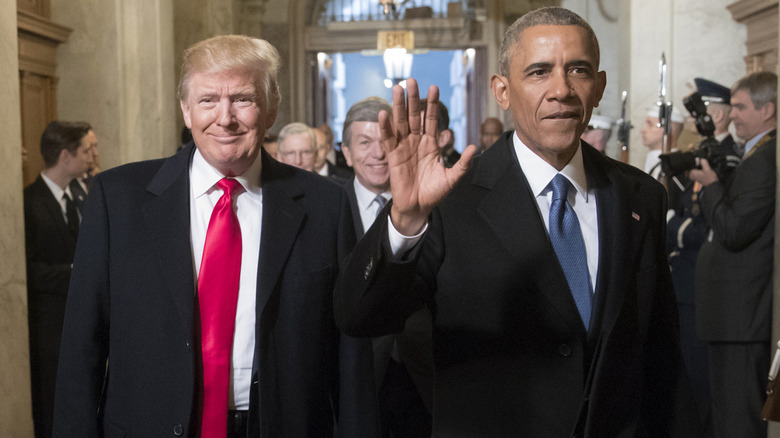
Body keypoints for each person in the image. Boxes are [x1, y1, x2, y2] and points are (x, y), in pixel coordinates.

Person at [335, 6, 699, 436]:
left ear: (598, 87)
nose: (561, 90)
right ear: (502, 91)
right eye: (539, 72)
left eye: (578, 70)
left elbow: (661, 356)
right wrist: (405, 221)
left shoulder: (639, 194)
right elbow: (360, 317)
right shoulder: (450, 199)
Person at [53, 35, 377, 438]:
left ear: (271, 108)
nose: (225, 118)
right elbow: (81, 348)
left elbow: (350, 354)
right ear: (186, 110)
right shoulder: (117, 199)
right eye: (208, 100)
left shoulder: (325, 204)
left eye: (242, 99)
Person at [689, 71, 777, 438]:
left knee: (738, 422)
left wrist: (710, 187)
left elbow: (734, 229)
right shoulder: (755, 153)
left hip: (742, 316)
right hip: (732, 316)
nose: (733, 115)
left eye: (740, 107)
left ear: (767, 110)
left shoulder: (765, 158)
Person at [341, 96, 433, 437]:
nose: (378, 154)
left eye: (384, 141)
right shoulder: (327, 208)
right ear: (346, 152)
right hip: (353, 374)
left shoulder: (432, 202)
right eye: (364, 143)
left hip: (424, 371)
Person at [665, 77, 736, 433]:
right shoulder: (706, 152)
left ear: (718, 115)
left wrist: (671, 225)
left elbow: (706, 223)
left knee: (698, 381)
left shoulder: (727, 159)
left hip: (700, 281)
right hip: (683, 280)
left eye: (700, 112)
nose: (694, 120)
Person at [24, 120, 94, 438]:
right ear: (66, 156)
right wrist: (74, 272)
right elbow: (26, 271)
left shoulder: (80, 193)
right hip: (49, 328)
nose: (92, 157)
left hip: (81, 323)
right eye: (86, 150)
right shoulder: (30, 202)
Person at [641, 106, 684, 179]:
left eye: (650, 124)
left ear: (670, 129)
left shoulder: (678, 168)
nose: (642, 130)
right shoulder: (651, 157)